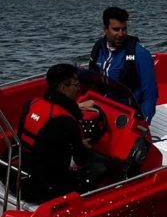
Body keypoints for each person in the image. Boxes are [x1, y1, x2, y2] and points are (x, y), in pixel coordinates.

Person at [16, 63, 105, 203]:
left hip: (21, 176)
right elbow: (81, 160)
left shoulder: (31, 104)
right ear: (63, 87)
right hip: (44, 188)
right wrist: (83, 146)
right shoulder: (67, 121)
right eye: (76, 85)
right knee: (100, 167)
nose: (79, 89)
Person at [88, 6, 158, 123]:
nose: (121, 34)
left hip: (127, 115)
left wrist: (143, 123)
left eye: (124, 29)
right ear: (105, 29)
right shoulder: (98, 49)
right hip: (102, 108)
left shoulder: (140, 54)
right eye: (116, 29)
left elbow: (150, 94)